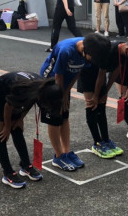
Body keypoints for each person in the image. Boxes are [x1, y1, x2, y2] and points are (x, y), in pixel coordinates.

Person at [40, 33, 110, 170]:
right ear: (84, 50)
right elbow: (58, 75)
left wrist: (67, 92)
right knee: (54, 119)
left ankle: (66, 151)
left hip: (64, 83)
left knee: (64, 116)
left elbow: (78, 72)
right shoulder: (66, 50)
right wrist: (60, 97)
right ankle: (58, 156)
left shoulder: (91, 49)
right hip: (50, 83)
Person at [0, 72, 62, 188]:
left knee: (17, 129)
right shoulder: (24, 90)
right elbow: (7, 107)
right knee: (1, 134)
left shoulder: (44, 89)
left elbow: (30, 102)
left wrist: (20, 118)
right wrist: (7, 127)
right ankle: (7, 172)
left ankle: (26, 165)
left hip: (14, 94)